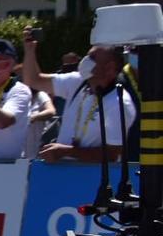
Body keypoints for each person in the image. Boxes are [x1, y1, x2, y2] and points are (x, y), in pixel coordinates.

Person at [23, 33, 137, 164]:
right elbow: (33, 80)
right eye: (87, 55)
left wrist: (66, 151)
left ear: (110, 68)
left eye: (92, 58)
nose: (85, 60)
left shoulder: (119, 102)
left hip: (93, 177)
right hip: (62, 170)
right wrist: (30, 50)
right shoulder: (78, 81)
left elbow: (112, 154)